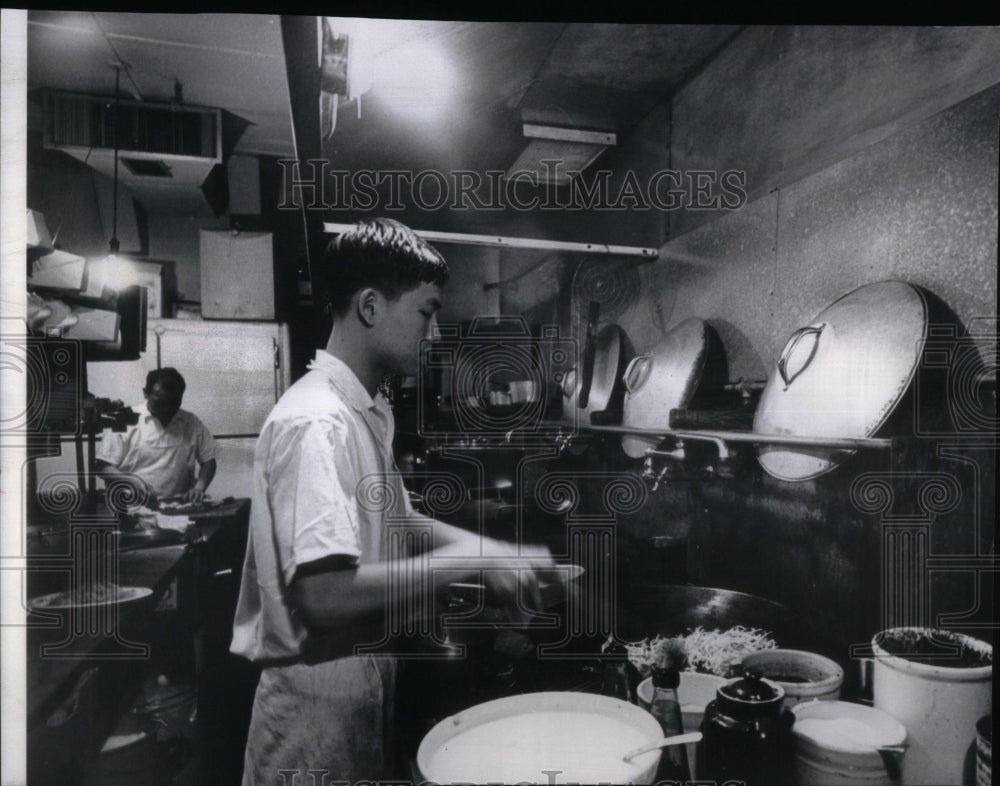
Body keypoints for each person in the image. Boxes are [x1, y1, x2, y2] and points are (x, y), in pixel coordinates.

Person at [230, 218, 553, 785]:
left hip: (359, 685)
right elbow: (322, 597)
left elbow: (398, 517)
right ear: (372, 307)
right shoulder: (316, 422)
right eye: (426, 314)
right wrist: (470, 561)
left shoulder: (362, 412)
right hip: (313, 709)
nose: (433, 335)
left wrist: (493, 547)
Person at [95, 367, 217, 507]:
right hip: (132, 507)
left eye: (174, 402)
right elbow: (103, 466)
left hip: (180, 506)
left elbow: (208, 461)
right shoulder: (126, 419)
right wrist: (131, 481)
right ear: (145, 394)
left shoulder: (190, 422)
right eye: (161, 402)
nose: (167, 409)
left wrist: (198, 488)